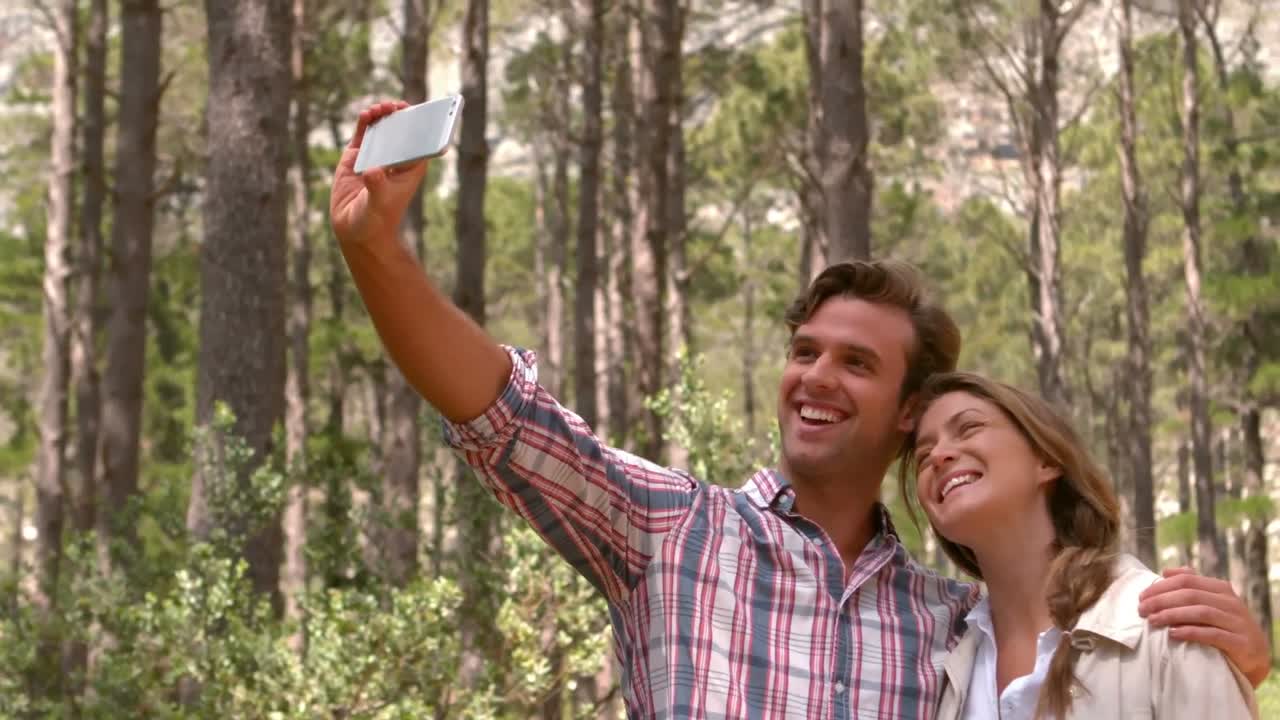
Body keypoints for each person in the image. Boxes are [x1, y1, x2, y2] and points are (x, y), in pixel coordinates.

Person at [329, 101, 1270, 719]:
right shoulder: (670, 532)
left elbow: (1080, 654)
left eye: (857, 363)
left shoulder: (955, 627)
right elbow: (501, 411)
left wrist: (1219, 667)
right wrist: (377, 249)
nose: (815, 377)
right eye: (804, 352)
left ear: (909, 410)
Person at [904, 373, 1260, 719]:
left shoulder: (1164, 624)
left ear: (1046, 459)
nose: (938, 456)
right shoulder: (940, 670)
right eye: (923, 456)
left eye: (968, 428)